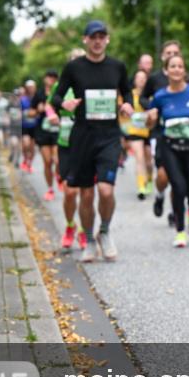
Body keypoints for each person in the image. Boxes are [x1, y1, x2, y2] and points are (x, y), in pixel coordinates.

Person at [52, 20, 133, 263]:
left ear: (107, 39)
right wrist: (63, 104)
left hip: (109, 136)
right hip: (83, 137)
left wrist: (128, 104)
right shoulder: (74, 68)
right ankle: (88, 239)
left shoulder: (117, 66)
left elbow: (127, 91)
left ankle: (104, 232)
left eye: (101, 37)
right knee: (86, 195)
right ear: (85, 40)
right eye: (93, 37)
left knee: (106, 191)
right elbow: (56, 96)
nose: (97, 41)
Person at [147, 54, 189, 247]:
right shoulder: (160, 96)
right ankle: (180, 231)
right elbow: (150, 123)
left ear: (184, 71)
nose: (176, 69)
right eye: (173, 66)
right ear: (166, 70)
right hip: (170, 147)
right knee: (179, 188)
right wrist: (150, 118)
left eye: (180, 66)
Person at [50, 48, 88, 253]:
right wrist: (53, 114)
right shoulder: (62, 85)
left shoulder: (92, 83)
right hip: (65, 143)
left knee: (85, 192)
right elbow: (50, 103)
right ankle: (70, 225)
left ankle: (83, 230)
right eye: (74, 60)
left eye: (81, 59)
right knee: (70, 192)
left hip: (86, 143)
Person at [147, 41, 179, 220]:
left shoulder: (187, 79)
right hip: (160, 132)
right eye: (168, 53)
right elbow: (143, 97)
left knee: (177, 177)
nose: (172, 55)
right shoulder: (154, 79)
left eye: (175, 52)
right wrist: (152, 108)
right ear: (162, 56)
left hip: (182, 135)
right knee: (163, 175)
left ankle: (175, 211)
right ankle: (160, 195)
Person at [121, 69, 153, 199]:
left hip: (149, 131)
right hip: (135, 131)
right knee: (139, 158)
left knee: (149, 161)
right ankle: (141, 187)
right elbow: (123, 112)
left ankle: (149, 179)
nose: (141, 80)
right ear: (134, 80)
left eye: (144, 78)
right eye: (139, 78)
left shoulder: (151, 95)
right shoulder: (130, 95)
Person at [33, 71, 60, 200]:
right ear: (44, 79)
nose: (51, 80)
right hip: (43, 131)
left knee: (57, 160)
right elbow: (30, 112)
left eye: (54, 78)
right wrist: (37, 110)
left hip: (58, 130)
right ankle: (50, 189)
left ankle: (59, 175)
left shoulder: (60, 92)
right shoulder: (39, 94)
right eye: (49, 77)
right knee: (48, 161)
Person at [20, 80, 39, 172]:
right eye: (29, 87)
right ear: (26, 88)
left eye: (32, 87)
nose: (31, 89)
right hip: (25, 125)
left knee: (32, 147)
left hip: (35, 126)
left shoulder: (38, 98)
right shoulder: (22, 99)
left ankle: (29, 164)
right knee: (26, 144)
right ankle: (25, 159)